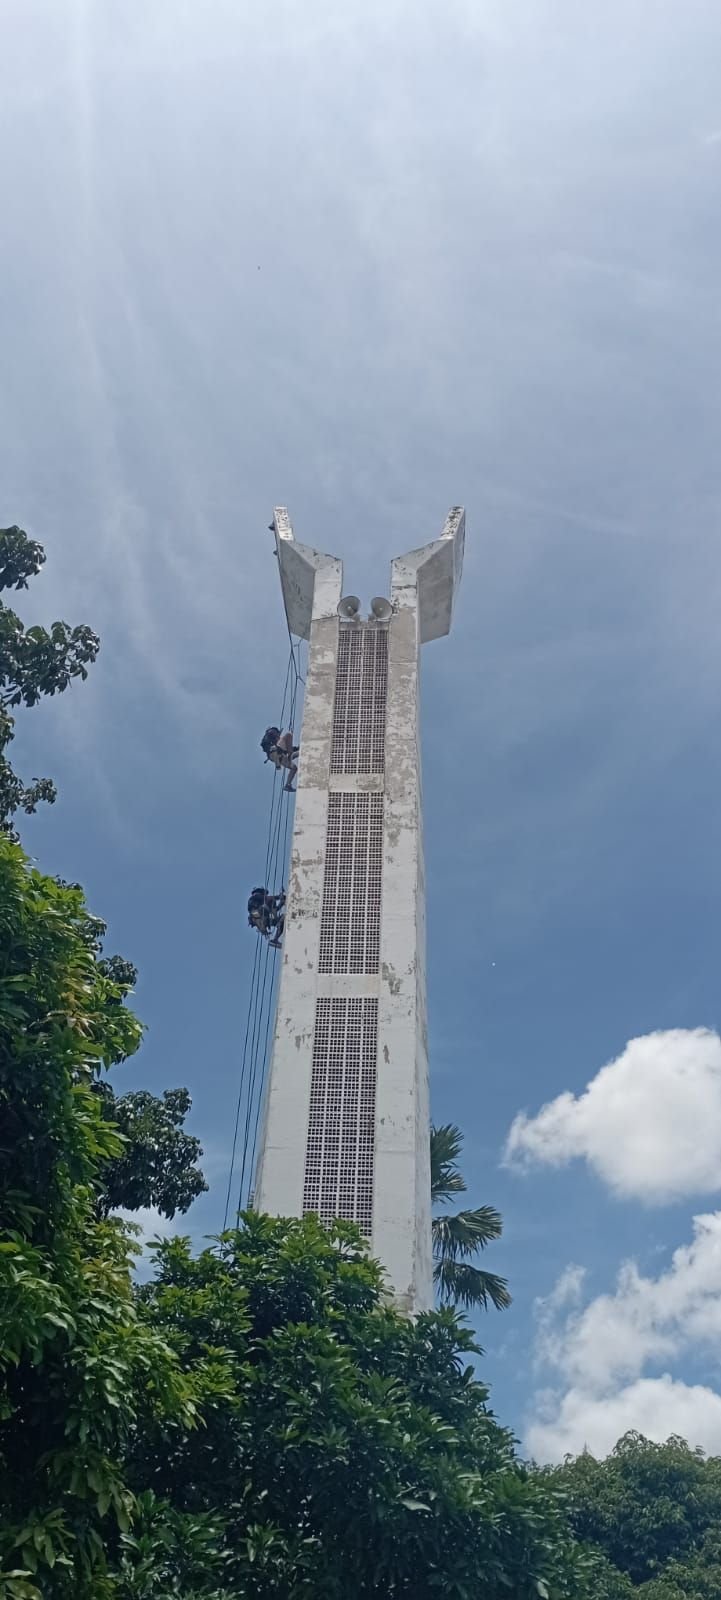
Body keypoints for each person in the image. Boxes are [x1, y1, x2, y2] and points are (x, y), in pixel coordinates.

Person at [260, 726, 298, 793]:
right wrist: (270, 748)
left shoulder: (276, 741)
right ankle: (290, 755)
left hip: (281, 757)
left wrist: (297, 748)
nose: (278, 735)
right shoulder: (269, 736)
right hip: (275, 753)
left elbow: (287, 748)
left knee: (294, 768)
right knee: (288, 735)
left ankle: (287, 785)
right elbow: (264, 744)